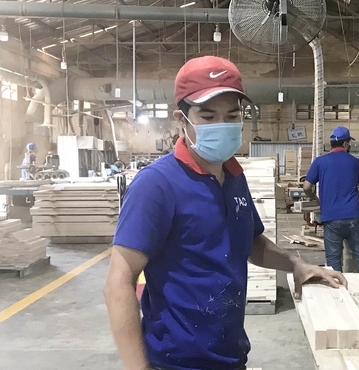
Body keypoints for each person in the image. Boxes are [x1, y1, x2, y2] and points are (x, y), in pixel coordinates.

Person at [104, 55, 346, 370]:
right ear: (182, 118)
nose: (223, 125)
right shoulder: (157, 185)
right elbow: (118, 281)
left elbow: (250, 242)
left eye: (232, 115)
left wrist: (297, 265)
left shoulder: (233, 175)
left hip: (230, 356)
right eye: (208, 115)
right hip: (176, 363)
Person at [303, 127, 359, 273]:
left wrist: (315, 199)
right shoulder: (354, 162)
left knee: (334, 260)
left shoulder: (319, 162)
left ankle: (336, 292)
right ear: (346, 144)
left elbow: (306, 187)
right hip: (354, 216)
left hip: (331, 218)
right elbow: (357, 182)